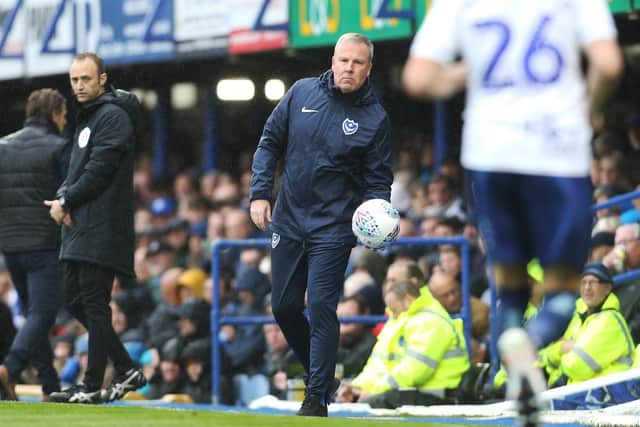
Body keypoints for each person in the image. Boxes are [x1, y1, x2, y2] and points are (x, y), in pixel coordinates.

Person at [403, 1, 622, 424]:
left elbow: (418, 78)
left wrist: (464, 74)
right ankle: (532, 339)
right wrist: (588, 108)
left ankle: (513, 363)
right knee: (560, 291)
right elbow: (610, 64)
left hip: (489, 154)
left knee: (511, 283)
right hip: (558, 154)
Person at [249, 32, 393, 416]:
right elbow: (268, 142)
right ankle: (324, 377)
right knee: (283, 307)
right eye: (343, 60)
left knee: (323, 309)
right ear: (333, 61)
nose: (349, 68)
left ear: (368, 69)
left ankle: (316, 399)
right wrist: (260, 193)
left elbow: (378, 181)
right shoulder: (300, 93)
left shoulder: (375, 118)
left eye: (357, 62)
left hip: (333, 228)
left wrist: (376, 218)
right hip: (289, 220)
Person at [45, 52, 146, 404]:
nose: (79, 86)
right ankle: (126, 368)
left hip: (104, 226)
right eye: (74, 80)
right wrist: (63, 197)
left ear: (103, 78)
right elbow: (76, 170)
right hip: (81, 225)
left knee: (94, 303)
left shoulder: (113, 118)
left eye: (85, 79)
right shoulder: (87, 118)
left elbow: (99, 171)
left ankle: (90, 385)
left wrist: (67, 200)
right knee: (74, 301)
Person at [0, 89, 69, 401]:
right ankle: (10, 367)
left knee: (33, 315)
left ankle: (50, 385)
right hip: (43, 242)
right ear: (55, 113)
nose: (65, 120)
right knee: (43, 313)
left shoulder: (3, 146)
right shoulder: (59, 147)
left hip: (10, 244)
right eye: (64, 114)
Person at [336, 280, 469, 408]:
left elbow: (414, 372)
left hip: (436, 395)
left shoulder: (432, 322)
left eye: (394, 309)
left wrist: (374, 391)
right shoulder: (399, 318)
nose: (391, 314)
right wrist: (357, 387)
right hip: (408, 391)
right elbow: (376, 365)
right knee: (340, 397)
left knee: (373, 402)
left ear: (408, 299)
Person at [538, 263, 634, 387]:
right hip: (577, 397)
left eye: (593, 282)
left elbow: (576, 366)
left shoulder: (610, 320)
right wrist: (562, 348)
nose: (587, 288)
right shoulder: (577, 318)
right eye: (583, 282)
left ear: (607, 288)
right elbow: (545, 354)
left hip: (605, 399)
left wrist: (562, 352)